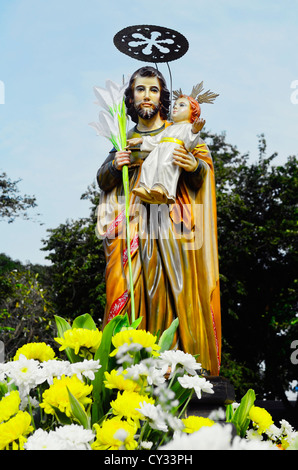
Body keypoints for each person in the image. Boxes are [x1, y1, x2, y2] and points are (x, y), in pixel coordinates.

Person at [96, 66, 221, 376]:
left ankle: (177, 364)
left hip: (171, 225)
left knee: (172, 289)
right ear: (131, 97)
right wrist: (115, 163)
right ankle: (129, 363)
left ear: (163, 97)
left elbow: (201, 174)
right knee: (129, 287)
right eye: (140, 89)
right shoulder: (124, 138)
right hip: (132, 226)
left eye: (153, 89)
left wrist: (193, 166)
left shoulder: (178, 130)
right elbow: (103, 178)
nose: (147, 95)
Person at [128, 95, 206, 204]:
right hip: (159, 150)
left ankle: (163, 190)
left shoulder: (188, 127)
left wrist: (195, 131)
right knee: (148, 165)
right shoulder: (169, 128)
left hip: (172, 152)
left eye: (181, 105)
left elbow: (189, 145)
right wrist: (140, 140)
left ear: (193, 113)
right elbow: (156, 140)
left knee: (164, 166)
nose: (175, 107)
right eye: (174, 105)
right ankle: (146, 188)